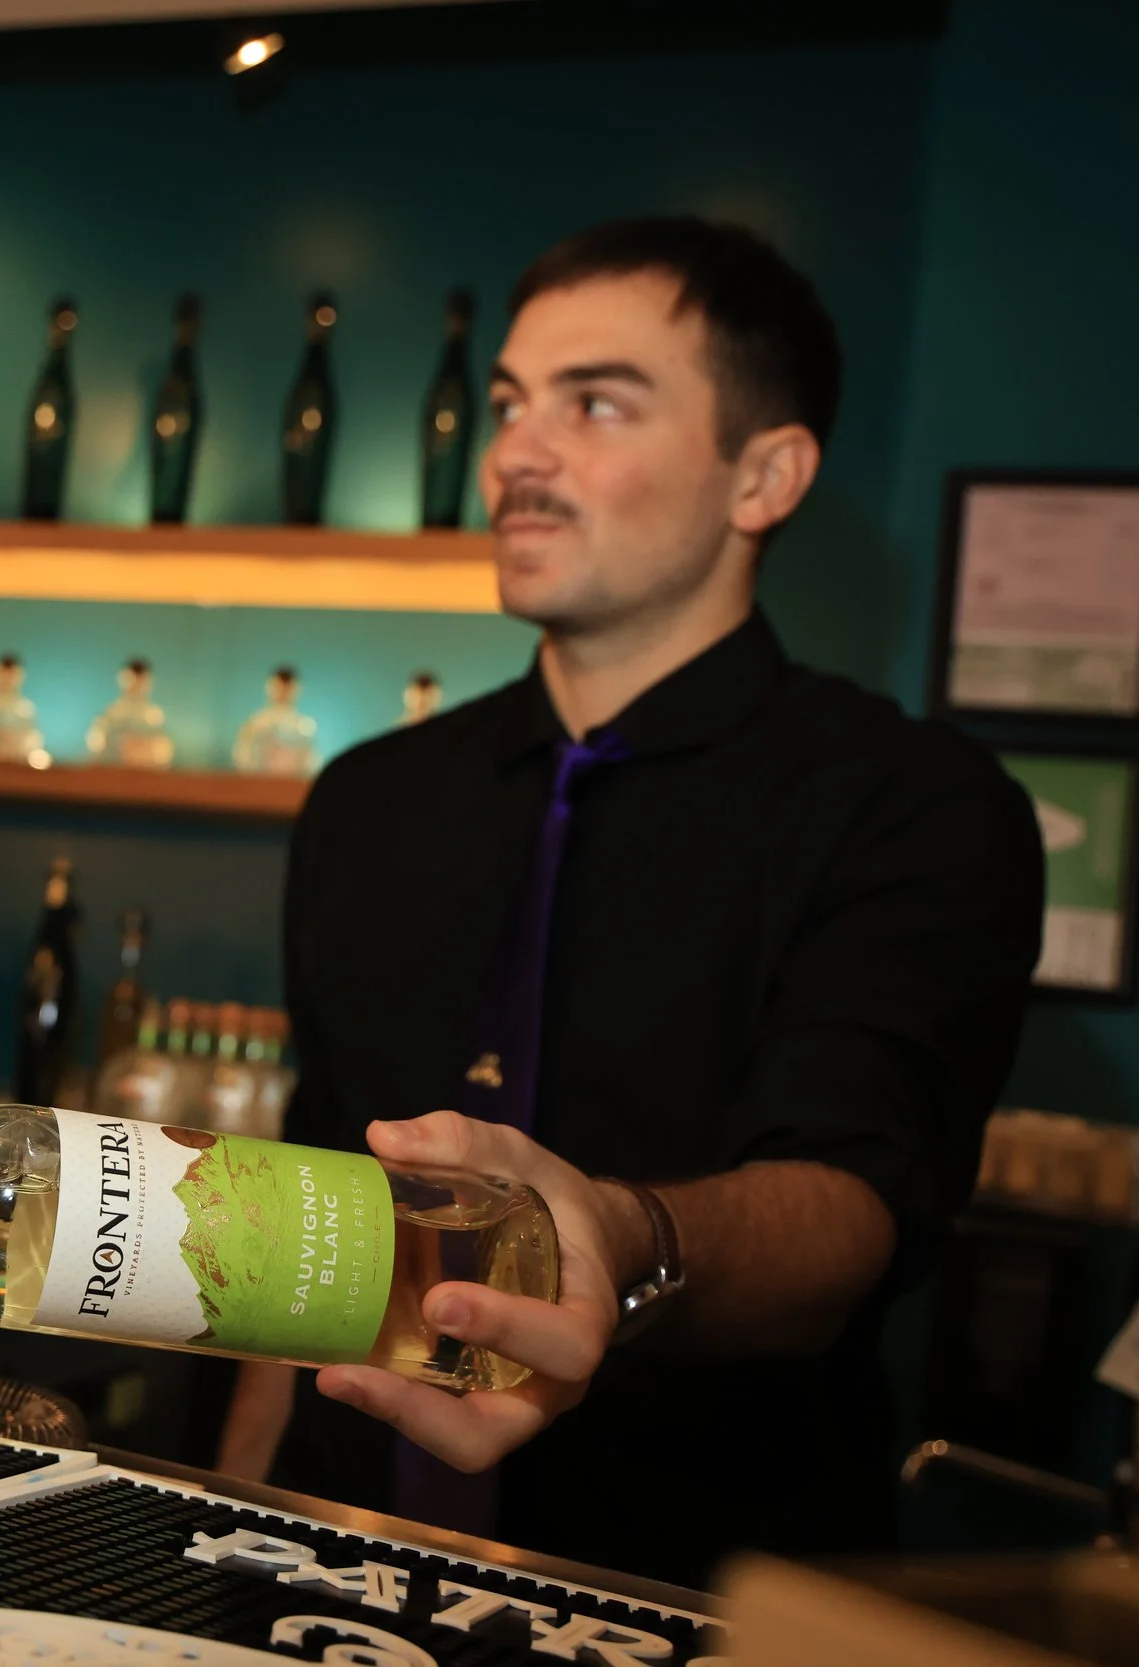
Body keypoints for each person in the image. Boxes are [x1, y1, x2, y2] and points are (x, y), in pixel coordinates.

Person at [216, 218, 1045, 1589]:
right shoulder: (368, 797)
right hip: (323, 1560)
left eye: (596, 402)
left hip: (687, 1584)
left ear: (764, 475)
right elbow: (302, 1212)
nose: (516, 457)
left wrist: (618, 1230)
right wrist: (231, 1517)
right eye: (508, 405)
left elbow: (849, 1209)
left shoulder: (916, 804)